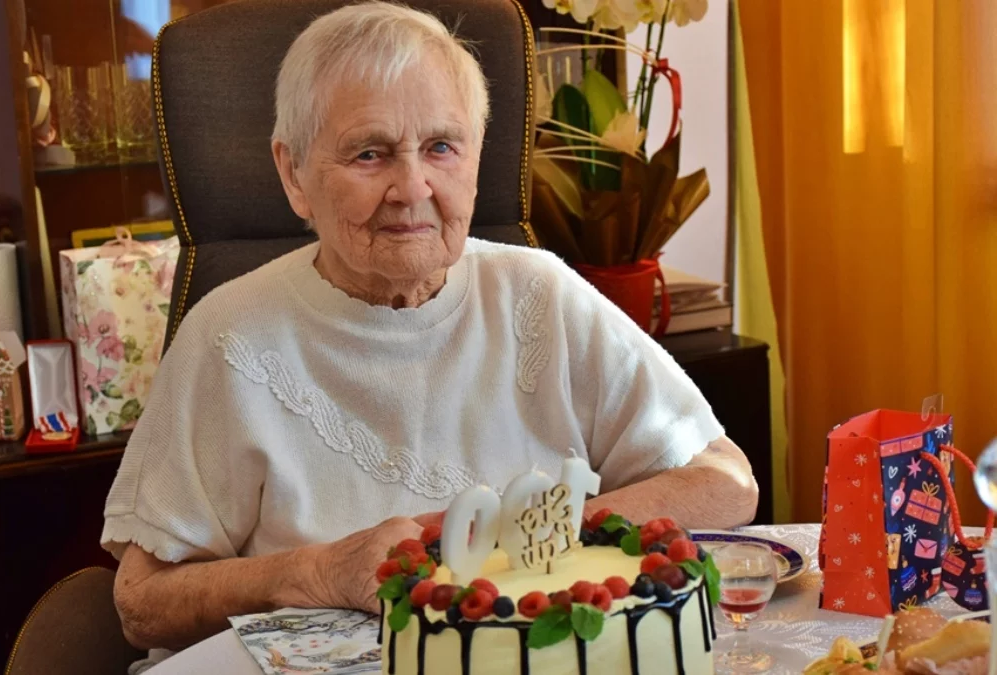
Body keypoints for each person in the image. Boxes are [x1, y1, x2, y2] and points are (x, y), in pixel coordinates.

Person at [102, 0, 758, 661]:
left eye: (441, 147)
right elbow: (141, 603)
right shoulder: (229, 336)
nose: (412, 187)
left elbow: (725, 481)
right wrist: (318, 571)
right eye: (370, 153)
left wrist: (531, 533)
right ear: (293, 173)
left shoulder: (539, 294)